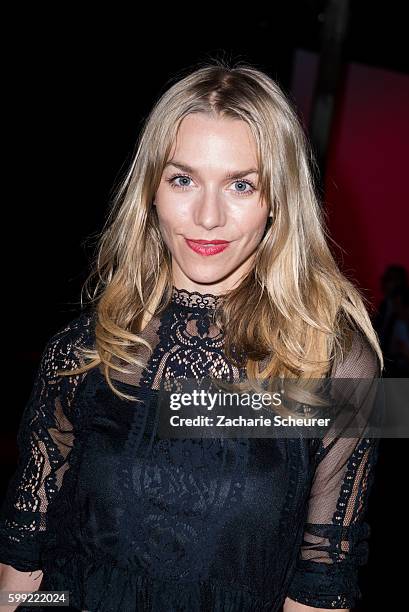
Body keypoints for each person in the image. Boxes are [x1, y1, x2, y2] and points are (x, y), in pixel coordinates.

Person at [0, 61, 384, 612]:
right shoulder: (81, 350)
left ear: (278, 202)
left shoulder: (343, 366)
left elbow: (321, 584)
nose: (207, 216)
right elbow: (29, 559)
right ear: (150, 192)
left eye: (241, 185)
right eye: (183, 179)